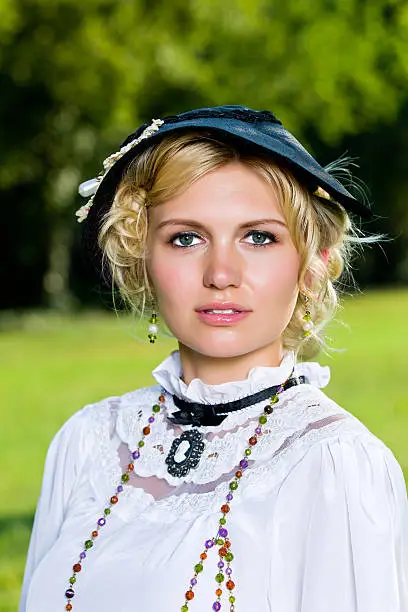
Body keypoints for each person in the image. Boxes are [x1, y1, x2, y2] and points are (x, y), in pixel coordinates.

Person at [20, 105, 408, 612]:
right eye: (186, 238)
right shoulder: (87, 443)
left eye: (259, 237)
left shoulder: (334, 466)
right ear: (143, 261)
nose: (221, 272)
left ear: (314, 265)